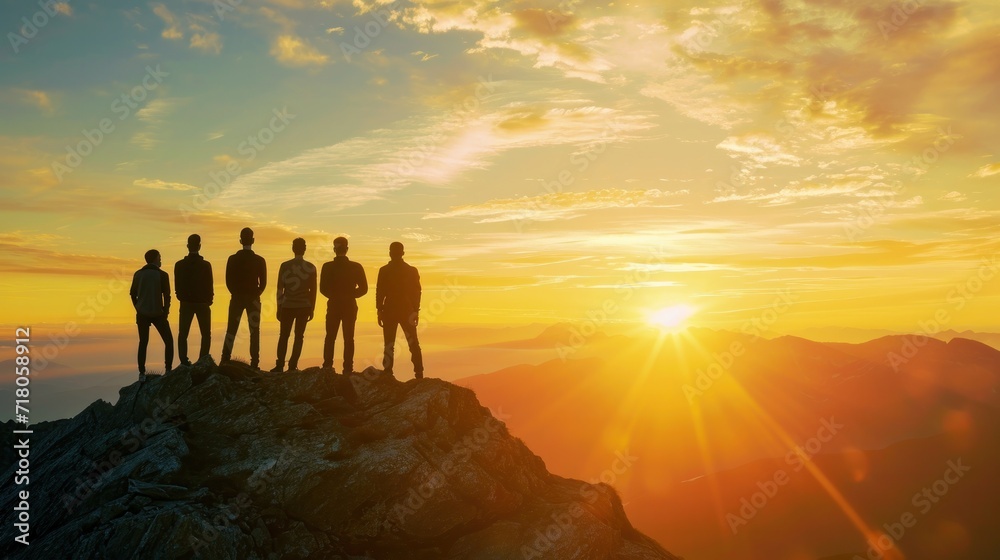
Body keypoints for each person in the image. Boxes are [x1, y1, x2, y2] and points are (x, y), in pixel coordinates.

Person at [220, 227, 267, 369]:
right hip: (253, 298)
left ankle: (225, 358)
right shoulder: (260, 260)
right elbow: (263, 283)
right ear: (253, 240)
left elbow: (228, 280)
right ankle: (255, 362)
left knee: (232, 329)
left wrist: (235, 292)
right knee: (254, 330)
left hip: (237, 297)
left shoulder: (232, 259)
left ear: (240, 240)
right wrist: (256, 293)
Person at [319, 237, 367, 374]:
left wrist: (334, 296)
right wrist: (351, 295)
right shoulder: (356, 267)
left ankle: (327, 365)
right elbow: (363, 288)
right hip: (349, 305)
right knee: (348, 337)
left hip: (334, 305)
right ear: (347, 249)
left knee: (330, 336)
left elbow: (323, 289)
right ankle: (348, 368)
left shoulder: (327, 267)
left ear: (334, 249)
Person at [376, 242, 423, 379]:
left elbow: (380, 292)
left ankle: (388, 371)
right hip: (406, 309)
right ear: (403, 253)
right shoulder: (411, 270)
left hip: (389, 309)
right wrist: (415, 310)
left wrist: (379, 309)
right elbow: (417, 292)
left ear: (390, 253)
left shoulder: (384, 270)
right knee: (413, 342)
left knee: (389, 343)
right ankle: (418, 372)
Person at [271, 238, 316, 373]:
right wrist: (312, 308)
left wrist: (279, 307)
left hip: (287, 306)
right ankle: (292, 365)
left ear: (293, 249)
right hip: (304, 306)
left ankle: (279, 365)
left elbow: (280, 289)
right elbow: (313, 291)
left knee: (283, 335)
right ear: (305, 249)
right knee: (299, 336)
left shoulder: (285, 266)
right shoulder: (311, 267)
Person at [130, 249, 173, 381]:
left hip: (142, 313)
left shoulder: (138, 274)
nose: (161, 260)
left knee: (143, 342)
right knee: (169, 341)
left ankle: (142, 372)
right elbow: (167, 295)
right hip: (158, 313)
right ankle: (168, 370)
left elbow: (132, 293)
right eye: (159, 257)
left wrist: (137, 307)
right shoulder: (162, 275)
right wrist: (165, 311)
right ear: (154, 258)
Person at [174, 234, 213, 366]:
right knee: (206, 334)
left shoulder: (179, 265)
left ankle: (184, 360)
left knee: (183, 333)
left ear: (187, 246)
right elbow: (210, 284)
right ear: (199, 246)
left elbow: (177, 285)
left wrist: (181, 297)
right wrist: (209, 300)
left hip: (186, 303)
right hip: (202, 303)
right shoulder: (206, 265)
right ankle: (202, 360)